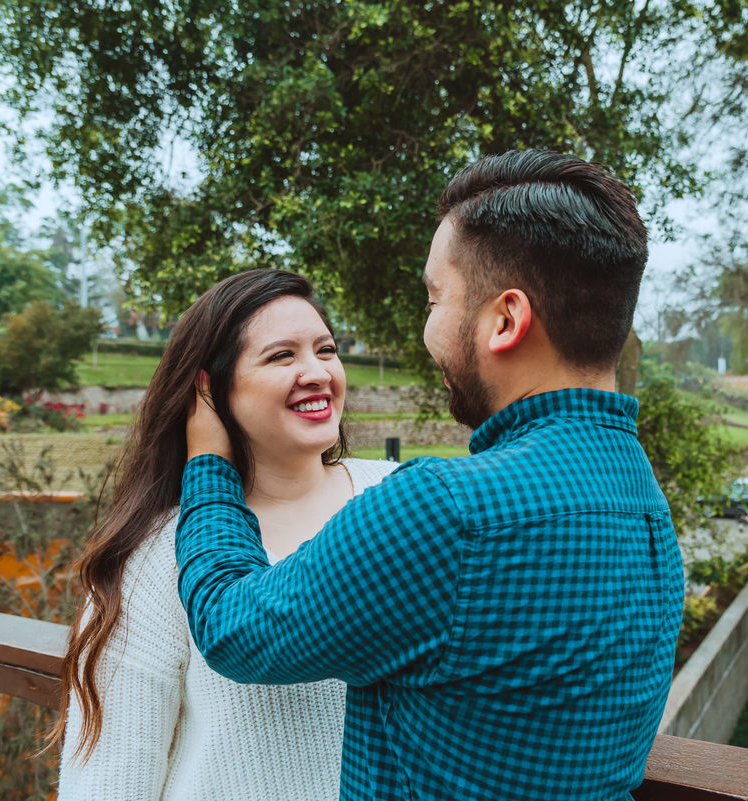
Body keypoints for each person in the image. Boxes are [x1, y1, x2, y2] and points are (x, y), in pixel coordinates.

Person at [177, 149, 685, 800]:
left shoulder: (447, 512)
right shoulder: (643, 498)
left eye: (435, 296)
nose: (428, 329)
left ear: (506, 319)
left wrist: (208, 464)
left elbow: (232, 626)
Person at [53, 269, 397, 800]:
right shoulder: (157, 556)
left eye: (326, 349)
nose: (317, 372)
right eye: (282, 356)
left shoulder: (401, 497)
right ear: (207, 390)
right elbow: (111, 777)